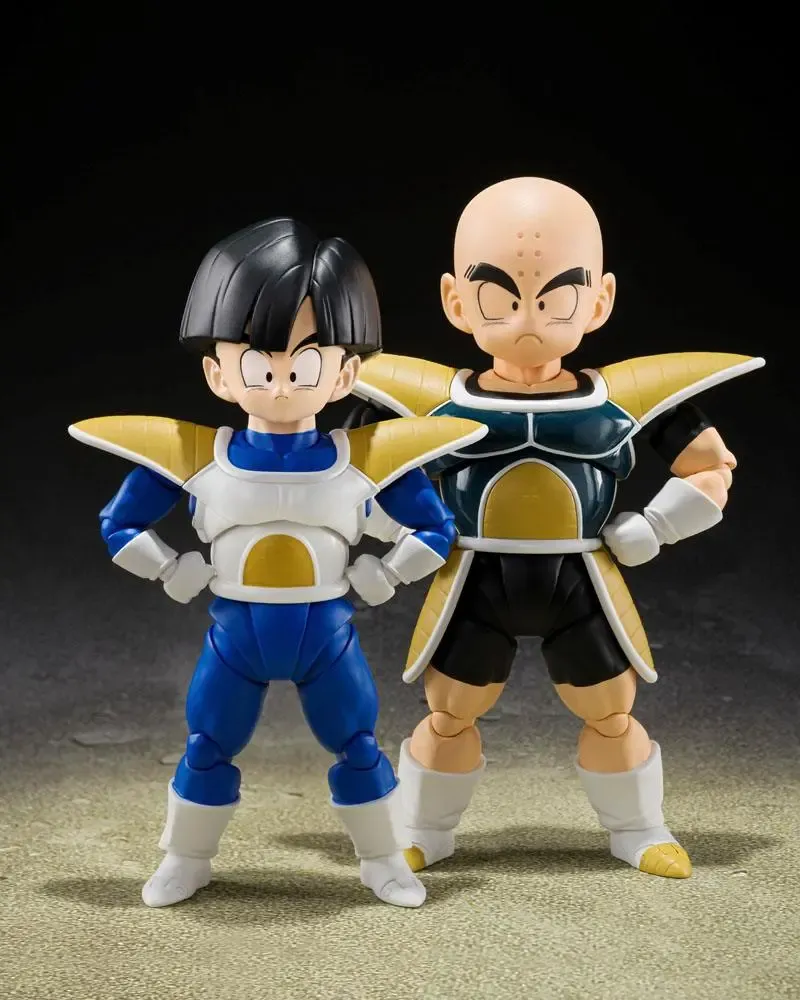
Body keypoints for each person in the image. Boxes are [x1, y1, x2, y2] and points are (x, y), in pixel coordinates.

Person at [344, 178, 764, 880]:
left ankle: (639, 828)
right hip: (473, 576)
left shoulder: (621, 399)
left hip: (581, 577)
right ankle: (422, 829)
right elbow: (352, 470)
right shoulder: (429, 399)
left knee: (611, 710)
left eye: (556, 298)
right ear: (456, 300)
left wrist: (657, 527)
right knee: (449, 711)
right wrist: (398, 525)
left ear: (598, 300)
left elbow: (711, 466)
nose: (529, 318)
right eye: (500, 297)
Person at [68, 217, 486, 909]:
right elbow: (118, 524)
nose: (285, 383)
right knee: (207, 744)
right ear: (218, 372)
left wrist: (388, 572)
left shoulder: (365, 457)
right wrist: (168, 568)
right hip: (235, 634)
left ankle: (385, 861)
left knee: (358, 745)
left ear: (346, 372)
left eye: (307, 363)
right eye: (262, 365)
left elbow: (437, 528)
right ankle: (184, 858)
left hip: (328, 633)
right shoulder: (198, 456)